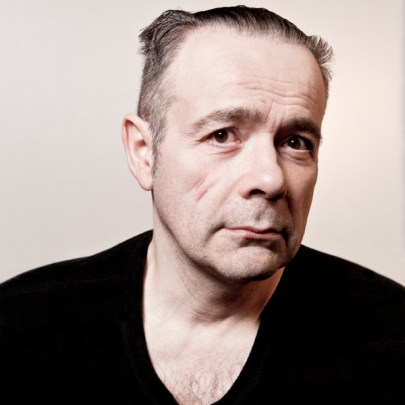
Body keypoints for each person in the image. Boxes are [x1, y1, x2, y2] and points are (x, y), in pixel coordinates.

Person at [0, 6, 404, 405]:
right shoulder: (17, 327)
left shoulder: (392, 336)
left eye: (296, 143)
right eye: (222, 135)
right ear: (144, 153)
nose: (271, 179)